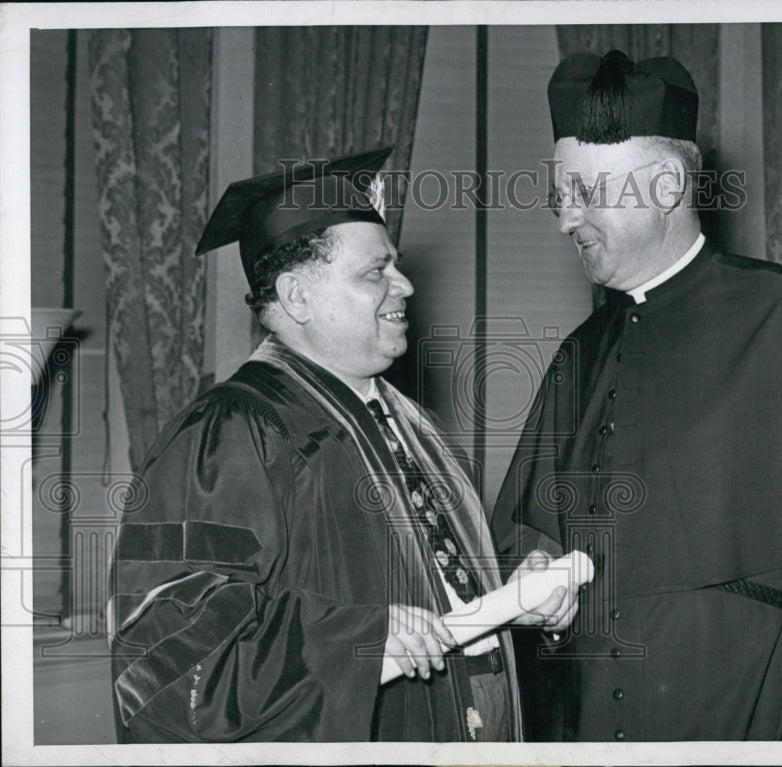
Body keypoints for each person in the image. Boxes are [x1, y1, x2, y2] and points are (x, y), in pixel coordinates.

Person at [491, 50, 782, 741]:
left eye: (585, 193)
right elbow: (522, 532)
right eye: (558, 197)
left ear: (666, 185)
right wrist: (535, 569)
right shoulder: (578, 354)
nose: (564, 220)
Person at [108, 147, 562, 742]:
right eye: (376, 271)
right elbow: (171, 661)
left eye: (394, 265)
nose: (405, 284)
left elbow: (409, 568)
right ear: (297, 296)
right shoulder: (233, 433)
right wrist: (352, 641)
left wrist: (513, 585)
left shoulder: (408, 423)